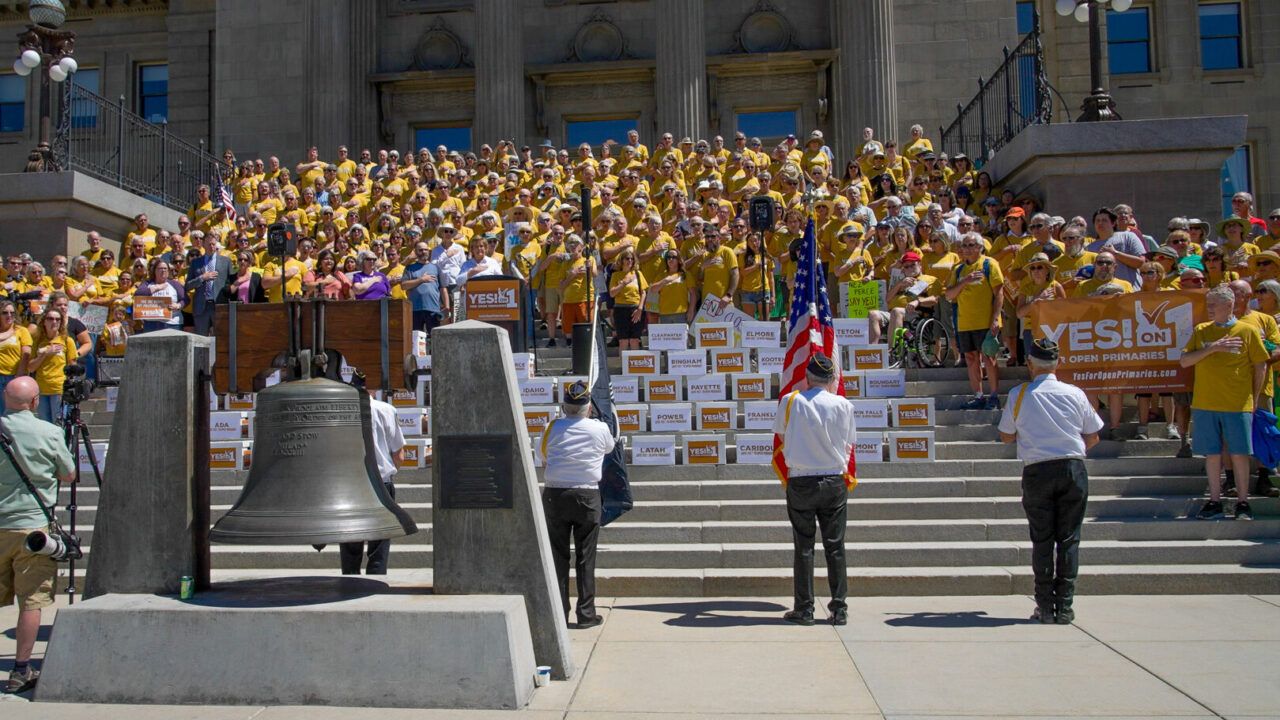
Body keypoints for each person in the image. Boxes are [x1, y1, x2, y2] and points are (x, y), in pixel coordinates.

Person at [998, 339, 1103, 623]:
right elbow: (1093, 436)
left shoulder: (1020, 394)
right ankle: (1065, 606)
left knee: (1042, 539)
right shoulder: (1075, 393)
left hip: (1038, 469)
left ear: (1030, 364)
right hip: (1072, 467)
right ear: (1058, 363)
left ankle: (1044, 606)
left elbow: (1006, 435)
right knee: (1069, 539)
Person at [0, 377, 75, 694]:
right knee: (31, 602)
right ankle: (20, 670)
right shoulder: (49, 432)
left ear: (6, 399)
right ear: (35, 402)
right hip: (33, 528)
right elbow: (69, 474)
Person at [771, 353, 857, 627]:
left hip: (802, 479)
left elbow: (782, 437)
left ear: (807, 378)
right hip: (833, 479)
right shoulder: (844, 405)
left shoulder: (791, 401)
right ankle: (839, 608)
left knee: (804, 546)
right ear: (832, 379)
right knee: (836, 547)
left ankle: (805, 607)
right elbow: (848, 444)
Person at [1181, 285, 1268, 521]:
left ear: (1228, 305)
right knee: (1212, 455)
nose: (1208, 309)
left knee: (1240, 454)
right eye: (1207, 304)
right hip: (1205, 403)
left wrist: (1254, 397)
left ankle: (1242, 502)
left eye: (1213, 305)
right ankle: (1215, 501)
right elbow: (1185, 361)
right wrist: (1214, 348)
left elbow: (1261, 365)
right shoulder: (1201, 330)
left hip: (1237, 403)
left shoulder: (1247, 331)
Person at [540, 380, 617, 627]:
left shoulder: (550, 427)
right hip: (587, 495)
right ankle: (586, 614)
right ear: (588, 408)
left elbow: (542, 457)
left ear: (564, 406)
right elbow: (609, 449)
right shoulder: (599, 428)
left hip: (555, 495)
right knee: (586, 557)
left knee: (557, 557)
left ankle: (558, 613)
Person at [339, 371, 405, 575]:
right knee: (380, 542)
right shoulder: (386, 410)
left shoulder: (339, 411)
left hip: (349, 484)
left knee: (350, 541)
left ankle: (349, 581)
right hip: (380, 481)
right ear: (374, 386)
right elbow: (399, 454)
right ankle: (375, 580)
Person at [945, 233, 1003, 409]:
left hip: (985, 321)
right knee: (971, 358)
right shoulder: (958, 270)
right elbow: (949, 295)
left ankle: (993, 395)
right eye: (964, 246)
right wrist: (965, 281)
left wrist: (995, 319)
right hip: (965, 322)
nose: (967, 249)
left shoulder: (989, 264)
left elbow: (999, 293)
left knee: (989, 358)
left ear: (980, 247)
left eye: (971, 245)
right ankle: (978, 395)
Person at [185, 231, 232, 335]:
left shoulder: (226, 261)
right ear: (203, 244)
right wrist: (202, 278)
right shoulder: (195, 263)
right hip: (201, 306)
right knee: (201, 340)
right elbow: (187, 286)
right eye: (209, 244)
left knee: (221, 339)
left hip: (219, 306)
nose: (211, 247)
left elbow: (231, 283)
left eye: (213, 244)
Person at [400, 241, 447, 334]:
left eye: (426, 250)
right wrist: (421, 279)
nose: (423, 252)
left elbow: (443, 289)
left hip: (433, 309)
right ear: (416, 251)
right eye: (420, 250)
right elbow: (403, 285)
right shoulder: (409, 268)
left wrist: (447, 307)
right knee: (416, 339)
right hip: (415, 309)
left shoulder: (436, 268)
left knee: (434, 338)